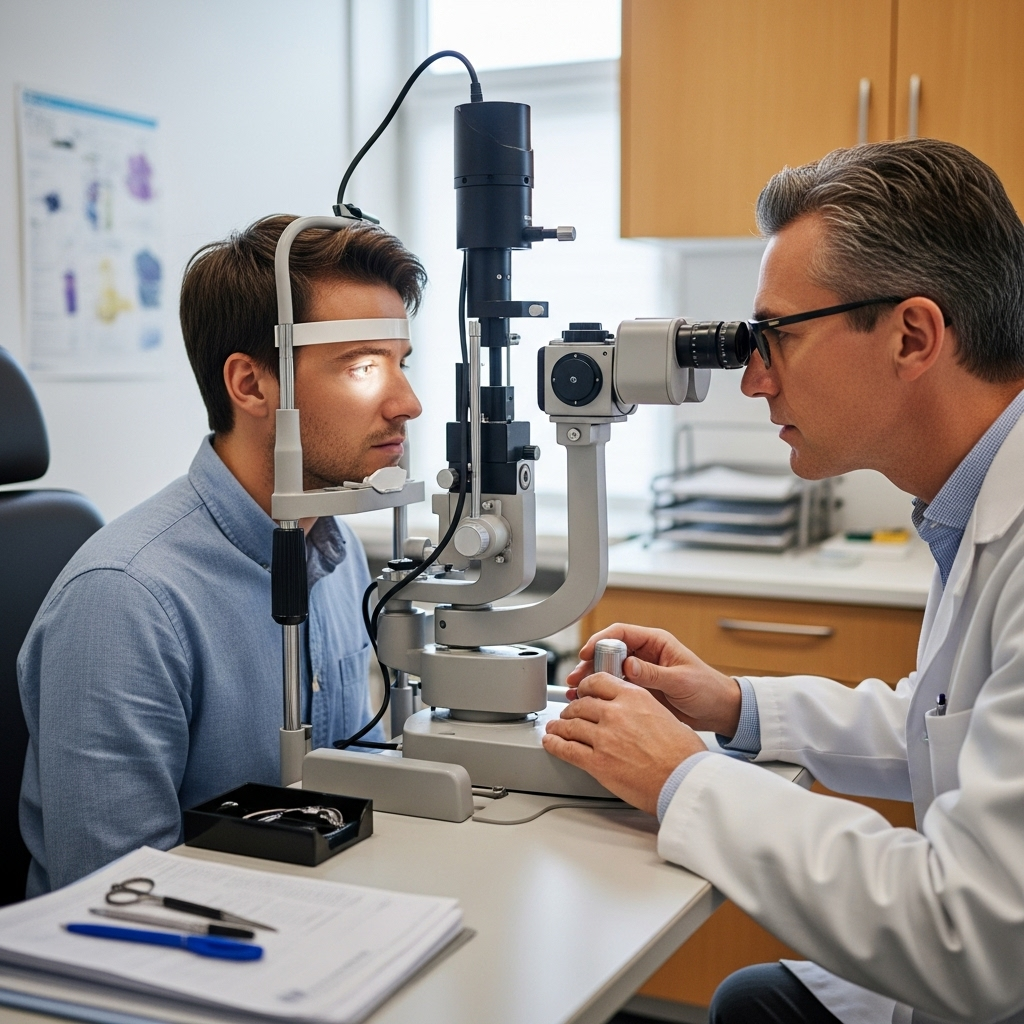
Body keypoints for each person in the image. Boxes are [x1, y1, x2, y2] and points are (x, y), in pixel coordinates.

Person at [543, 140, 1024, 1024]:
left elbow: (977, 932)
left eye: (777, 339)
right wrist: (735, 706)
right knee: (757, 1002)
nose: (756, 380)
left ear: (912, 335)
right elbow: (953, 716)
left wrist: (685, 777)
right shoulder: (978, 498)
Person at [18, 215, 424, 896]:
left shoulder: (336, 549)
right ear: (251, 385)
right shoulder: (125, 599)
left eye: (399, 364)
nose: (406, 403)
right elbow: (114, 898)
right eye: (360, 366)